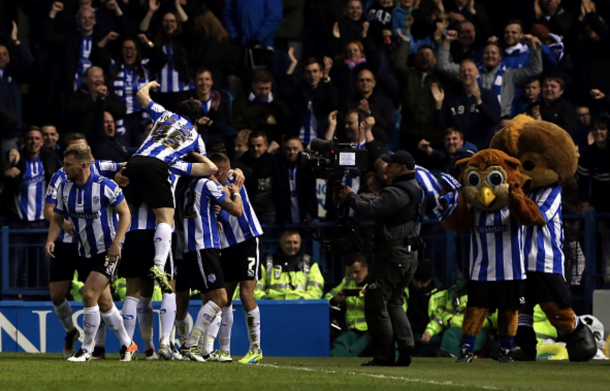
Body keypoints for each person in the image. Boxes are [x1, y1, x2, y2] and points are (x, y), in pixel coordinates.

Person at [45, 144, 136, 362]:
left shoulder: (105, 185)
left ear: (83, 165)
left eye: (68, 165)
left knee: (88, 295)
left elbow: (125, 214)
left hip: (107, 250)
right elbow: (57, 217)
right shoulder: (64, 189)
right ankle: (128, 344)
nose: (64, 168)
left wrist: (117, 242)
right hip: (84, 251)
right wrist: (50, 239)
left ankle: (86, 349)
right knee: (104, 303)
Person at [125, 80, 217, 294]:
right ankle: (158, 264)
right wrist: (190, 150)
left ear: (178, 111)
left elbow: (141, 95)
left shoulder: (165, 115)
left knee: (126, 212)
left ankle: (112, 249)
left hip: (135, 160)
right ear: (197, 120)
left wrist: (151, 84)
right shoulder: (195, 136)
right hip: (158, 167)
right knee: (165, 218)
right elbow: (208, 168)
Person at [337, 150, 424, 366]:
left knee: (376, 303)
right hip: (408, 255)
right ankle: (405, 346)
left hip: (392, 256)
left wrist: (351, 196)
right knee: (394, 302)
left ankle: (384, 356)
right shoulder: (415, 187)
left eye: (391, 164)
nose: (386, 167)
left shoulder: (397, 191)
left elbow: (369, 210)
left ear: (402, 168)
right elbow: (388, 208)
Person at [175, 161, 243, 361]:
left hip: (187, 247)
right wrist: (236, 192)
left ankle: (204, 349)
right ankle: (190, 345)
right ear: (217, 170)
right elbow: (237, 210)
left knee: (206, 298)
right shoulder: (207, 184)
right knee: (220, 298)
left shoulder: (184, 186)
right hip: (203, 247)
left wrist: (213, 219)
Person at [202, 153, 265, 364]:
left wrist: (238, 175)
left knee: (246, 294)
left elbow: (233, 211)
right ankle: (225, 351)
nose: (229, 172)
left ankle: (256, 349)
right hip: (227, 246)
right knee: (225, 299)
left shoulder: (234, 179)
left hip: (247, 241)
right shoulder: (208, 185)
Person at [437, 33, 543, 117]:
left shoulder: (510, 75)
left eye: (493, 53)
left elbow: (536, 70)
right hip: (474, 121)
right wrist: (446, 42)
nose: (490, 56)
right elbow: (443, 66)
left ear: (500, 57)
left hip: (501, 123)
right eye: (486, 53)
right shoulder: (470, 72)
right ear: (482, 56)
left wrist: (534, 48)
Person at [432, 60, 500, 150]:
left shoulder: (489, 95)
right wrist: (438, 105)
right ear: (459, 76)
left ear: (477, 73)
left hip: (483, 150)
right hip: (459, 152)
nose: (466, 73)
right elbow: (440, 127)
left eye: (469, 70)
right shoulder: (452, 98)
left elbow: (494, 121)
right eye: (463, 71)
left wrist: (480, 103)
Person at [577, 116, 610, 283]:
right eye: (596, 129)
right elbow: (582, 182)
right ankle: (596, 277)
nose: (599, 132)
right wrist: (585, 203)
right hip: (597, 204)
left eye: (603, 129)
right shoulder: (588, 153)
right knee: (590, 238)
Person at [281, 55, 337, 146]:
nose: (312, 75)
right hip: (298, 142)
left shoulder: (325, 90)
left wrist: (326, 77)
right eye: (308, 72)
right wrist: (293, 65)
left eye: (315, 71)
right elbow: (284, 92)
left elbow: (333, 103)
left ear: (320, 73)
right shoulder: (299, 91)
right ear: (304, 74)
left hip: (319, 140)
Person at [255, 230, 324, 300]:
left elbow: (316, 289)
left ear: (300, 244)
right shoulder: (267, 262)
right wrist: (267, 301)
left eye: (295, 243)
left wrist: (303, 301)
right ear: (281, 243)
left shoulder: (309, 263)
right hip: (274, 307)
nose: (292, 246)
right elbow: (255, 289)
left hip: (302, 308)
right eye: (288, 242)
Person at [325, 253, 370, 357]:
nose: (353, 276)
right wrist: (335, 300)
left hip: (372, 330)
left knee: (353, 352)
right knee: (337, 349)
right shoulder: (347, 281)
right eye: (350, 273)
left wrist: (370, 300)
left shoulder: (375, 283)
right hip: (352, 330)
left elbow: (388, 305)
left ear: (366, 267)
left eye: (357, 272)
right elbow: (326, 298)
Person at [66, 66, 126, 143]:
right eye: (95, 76)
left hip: (106, 140)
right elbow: (73, 111)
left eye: (100, 76)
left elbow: (121, 111)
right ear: (85, 79)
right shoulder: (77, 96)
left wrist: (104, 98)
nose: (98, 79)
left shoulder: (109, 95)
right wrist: (95, 99)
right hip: (84, 138)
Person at [272, 137, 318, 226]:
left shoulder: (309, 167)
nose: (292, 152)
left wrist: (310, 152)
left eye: (295, 149)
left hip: (307, 216)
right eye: (288, 149)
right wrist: (268, 153)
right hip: (285, 218)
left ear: (302, 150)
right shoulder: (279, 167)